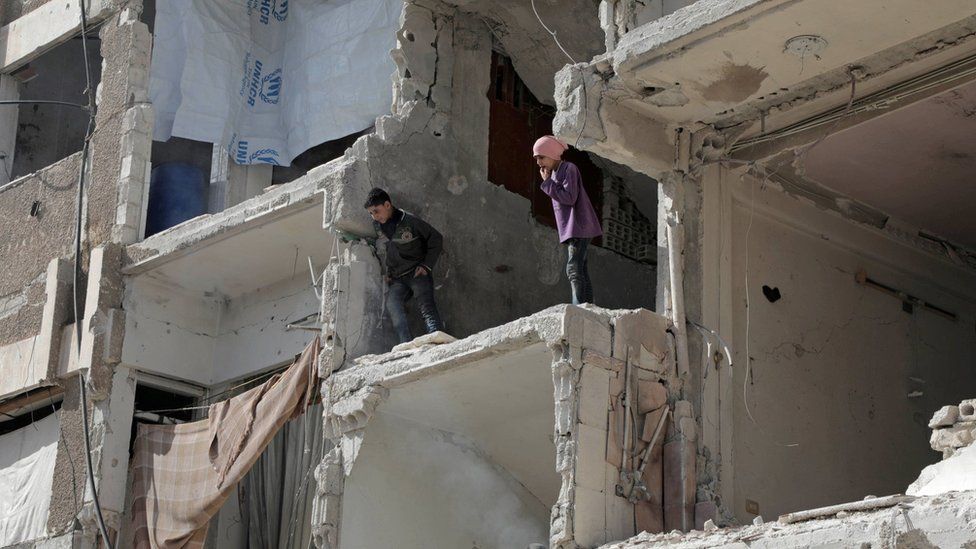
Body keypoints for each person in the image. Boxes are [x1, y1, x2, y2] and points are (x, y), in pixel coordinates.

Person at [364, 187, 445, 344]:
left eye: (376, 211)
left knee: (426, 306)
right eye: (371, 213)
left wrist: (427, 266)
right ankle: (406, 344)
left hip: (417, 273)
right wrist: (389, 272)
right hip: (398, 278)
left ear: (387, 205)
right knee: (392, 304)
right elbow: (387, 249)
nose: (374, 216)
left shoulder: (410, 221)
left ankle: (437, 340)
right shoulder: (379, 226)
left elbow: (436, 238)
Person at [533, 135, 603, 305]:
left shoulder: (568, 169)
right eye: (536, 158)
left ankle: (578, 307)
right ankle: (587, 306)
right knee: (580, 269)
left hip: (580, 226)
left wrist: (548, 183)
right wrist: (549, 181)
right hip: (574, 229)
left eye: (541, 157)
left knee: (573, 269)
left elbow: (569, 198)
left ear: (553, 154)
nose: (538, 162)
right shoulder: (555, 173)